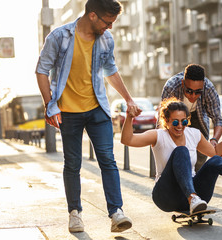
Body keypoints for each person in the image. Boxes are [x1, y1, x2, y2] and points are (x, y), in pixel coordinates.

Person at [35, 0, 141, 233]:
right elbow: (42, 70)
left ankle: (116, 213)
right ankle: (75, 214)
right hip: (68, 112)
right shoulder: (59, 37)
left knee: (107, 158)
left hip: (97, 109)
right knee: (73, 163)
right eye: (108, 22)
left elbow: (110, 70)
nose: (110, 27)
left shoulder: (106, 40)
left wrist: (128, 98)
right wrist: (49, 104)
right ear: (93, 16)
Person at [121, 98, 222, 214]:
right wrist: (129, 117)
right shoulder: (158, 135)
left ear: (187, 121)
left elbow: (215, 153)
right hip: (166, 197)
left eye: (183, 122)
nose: (179, 126)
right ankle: (192, 198)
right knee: (181, 151)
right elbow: (128, 140)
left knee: (214, 161)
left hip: (198, 195)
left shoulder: (194, 134)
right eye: (175, 122)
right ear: (166, 121)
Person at [160, 64, 222, 172]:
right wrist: (162, 141)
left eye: (198, 92)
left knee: (200, 157)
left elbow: (218, 119)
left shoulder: (209, 88)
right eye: (189, 91)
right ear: (182, 83)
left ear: (203, 86)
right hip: (175, 120)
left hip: (197, 118)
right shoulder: (171, 86)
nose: (193, 96)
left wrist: (214, 140)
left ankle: (196, 180)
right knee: (174, 153)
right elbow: (163, 117)